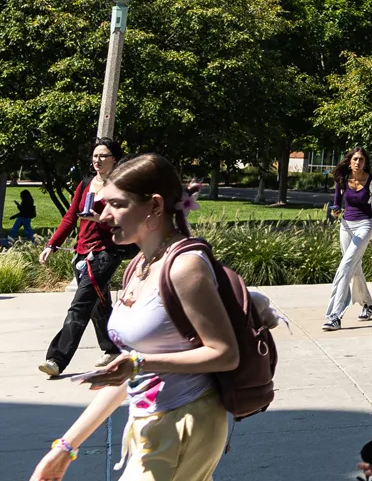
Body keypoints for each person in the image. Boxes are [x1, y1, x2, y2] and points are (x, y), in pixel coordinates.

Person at [28, 153, 241, 481]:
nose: (103, 216)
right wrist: (65, 448)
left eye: (117, 204)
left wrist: (140, 364)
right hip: (152, 424)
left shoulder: (186, 267)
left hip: (186, 422)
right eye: (103, 205)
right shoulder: (137, 268)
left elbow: (224, 353)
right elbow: (128, 373)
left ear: (155, 206)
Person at [40, 140, 132, 377]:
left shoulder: (120, 186)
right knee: (98, 305)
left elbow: (125, 220)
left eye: (103, 155)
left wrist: (99, 219)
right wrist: (53, 244)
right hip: (82, 251)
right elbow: (70, 218)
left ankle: (57, 359)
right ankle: (113, 348)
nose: (97, 160)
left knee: (79, 306)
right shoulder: (85, 184)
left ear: (114, 159)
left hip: (106, 252)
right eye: (94, 156)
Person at [323, 148, 372, 331]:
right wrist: (335, 210)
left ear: (365, 163)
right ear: (349, 161)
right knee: (354, 267)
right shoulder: (342, 179)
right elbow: (336, 203)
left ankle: (335, 315)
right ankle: (369, 304)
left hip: (364, 226)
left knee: (345, 266)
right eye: (355, 159)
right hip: (346, 226)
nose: (358, 162)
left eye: (361, 160)